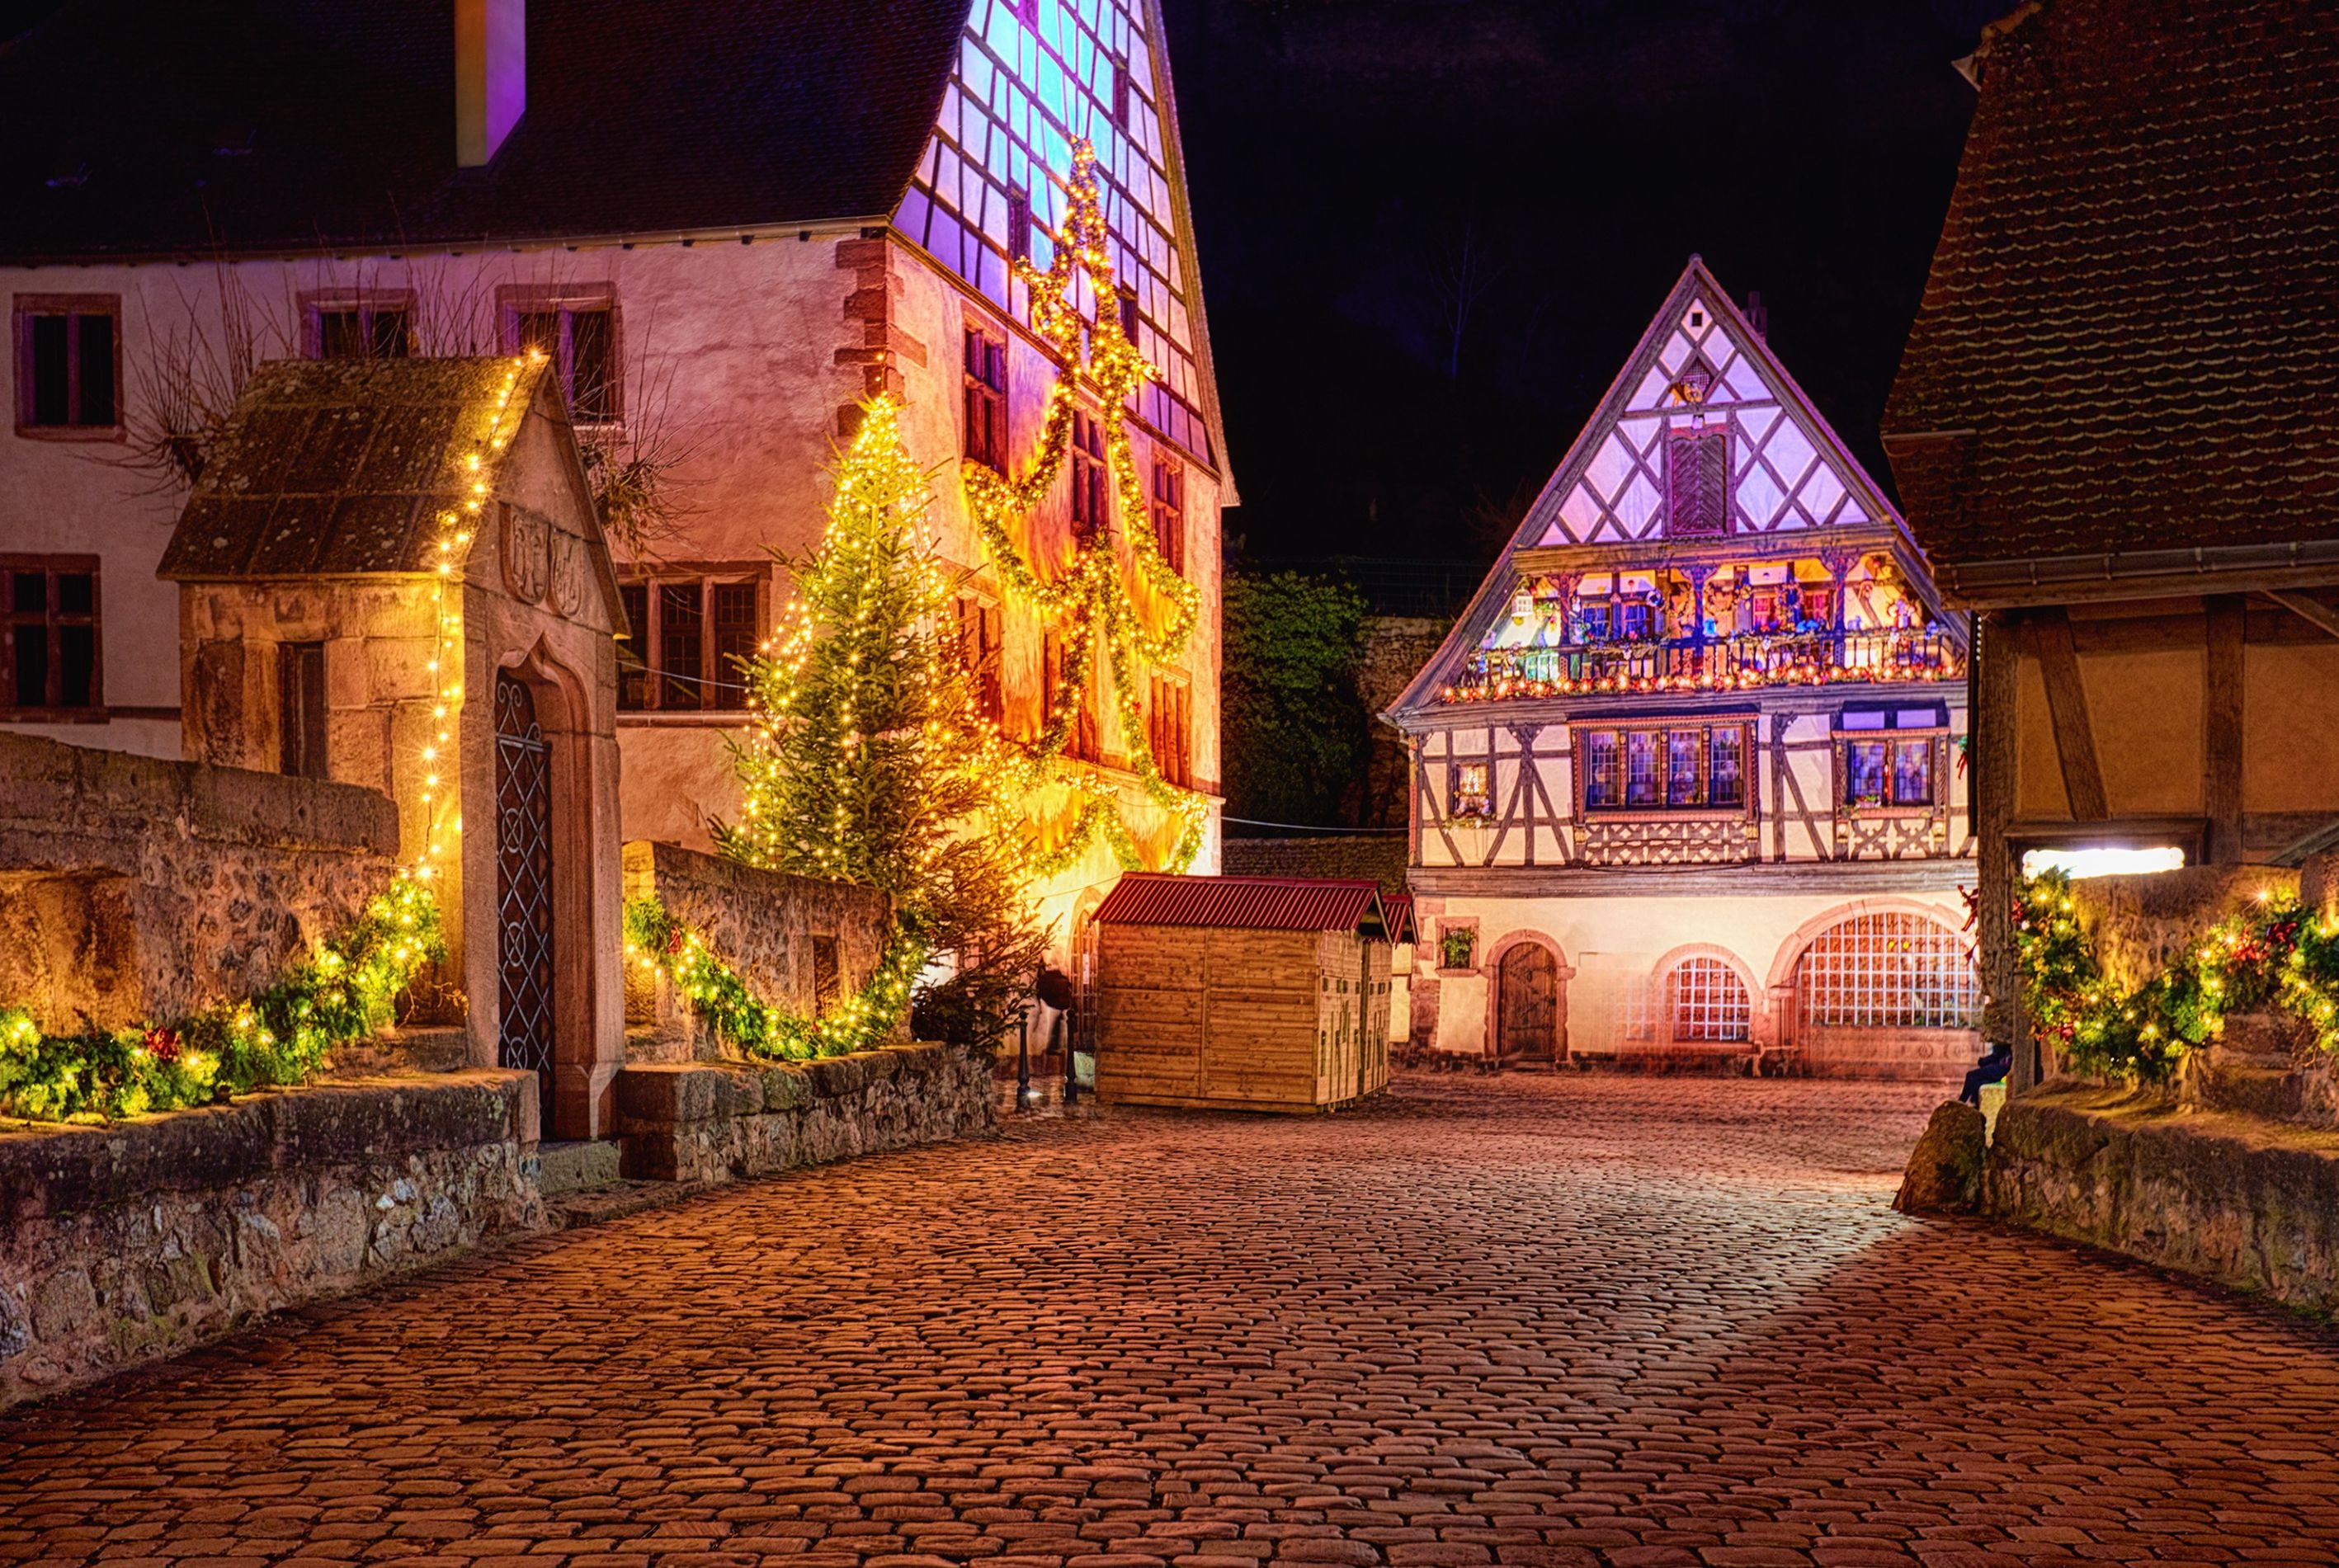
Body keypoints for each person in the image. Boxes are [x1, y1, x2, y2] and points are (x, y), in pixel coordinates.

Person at [1961, 1039, 2011, 1105]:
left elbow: (1996, 1056)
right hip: (2002, 1069)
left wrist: (1982, 1061)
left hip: (2001, 1069)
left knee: (1971, 1076)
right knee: (1979, 1084)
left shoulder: (2001, 1040)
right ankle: (1975, 1104)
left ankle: (1962, 1101)